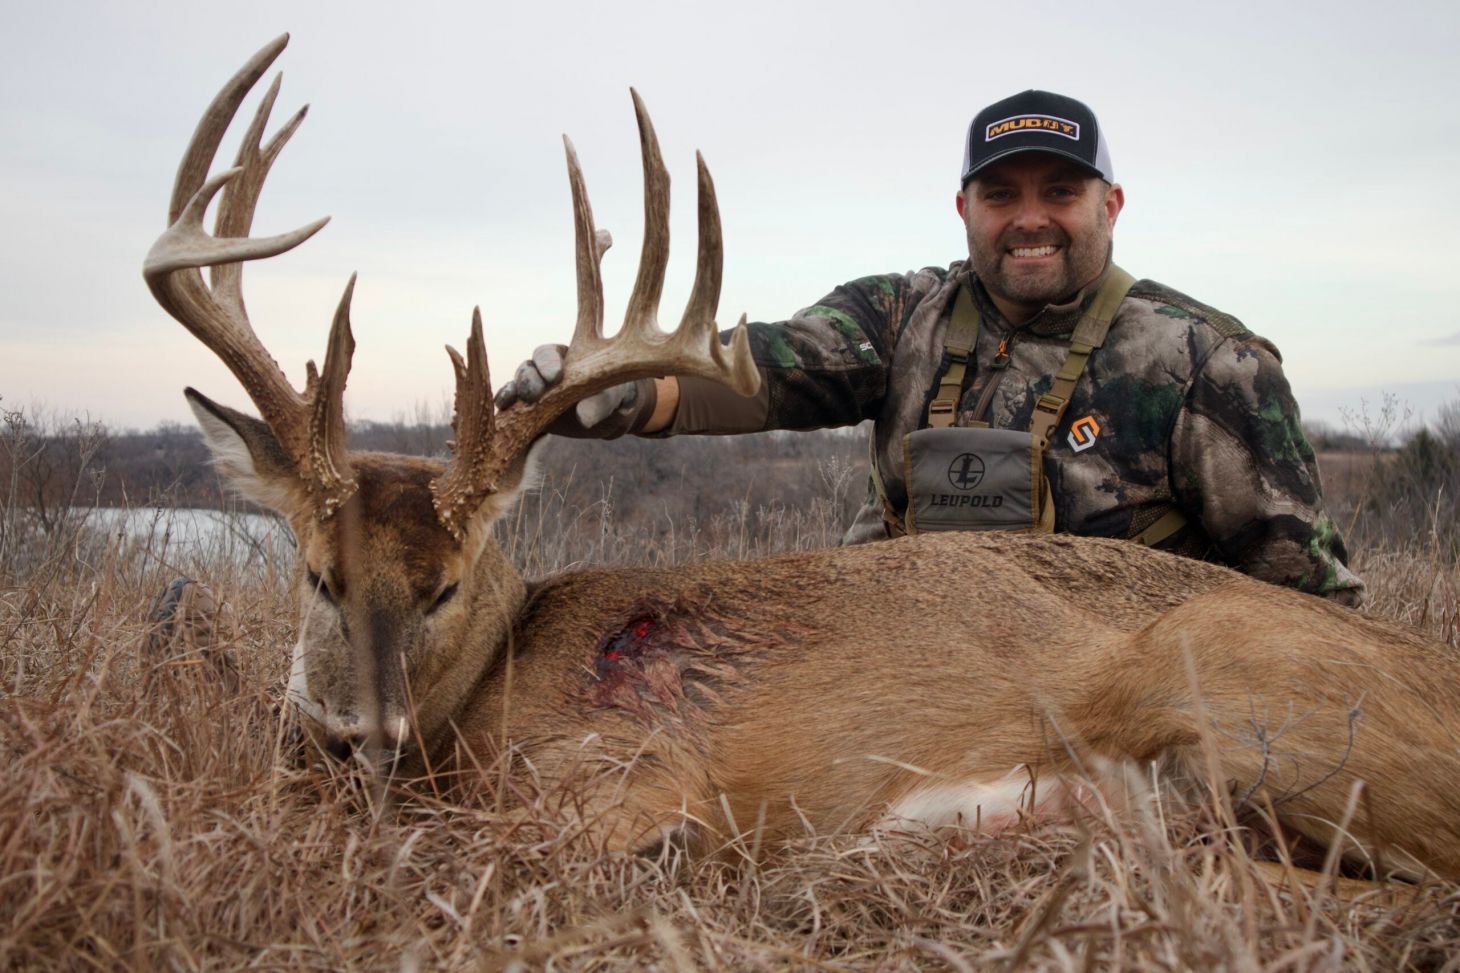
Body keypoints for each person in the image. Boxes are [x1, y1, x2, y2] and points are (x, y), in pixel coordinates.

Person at [497, 90, 1363, 606]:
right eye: (1001, 194)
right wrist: (628, 393)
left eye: (1061, 191)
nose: (1030, 218)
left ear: (1112, 204)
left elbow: (1303, 601)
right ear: (964, 209)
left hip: (1113, 697)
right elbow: (768, 370)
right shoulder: (904, 313)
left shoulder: (1207, 363)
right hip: (900, 660)